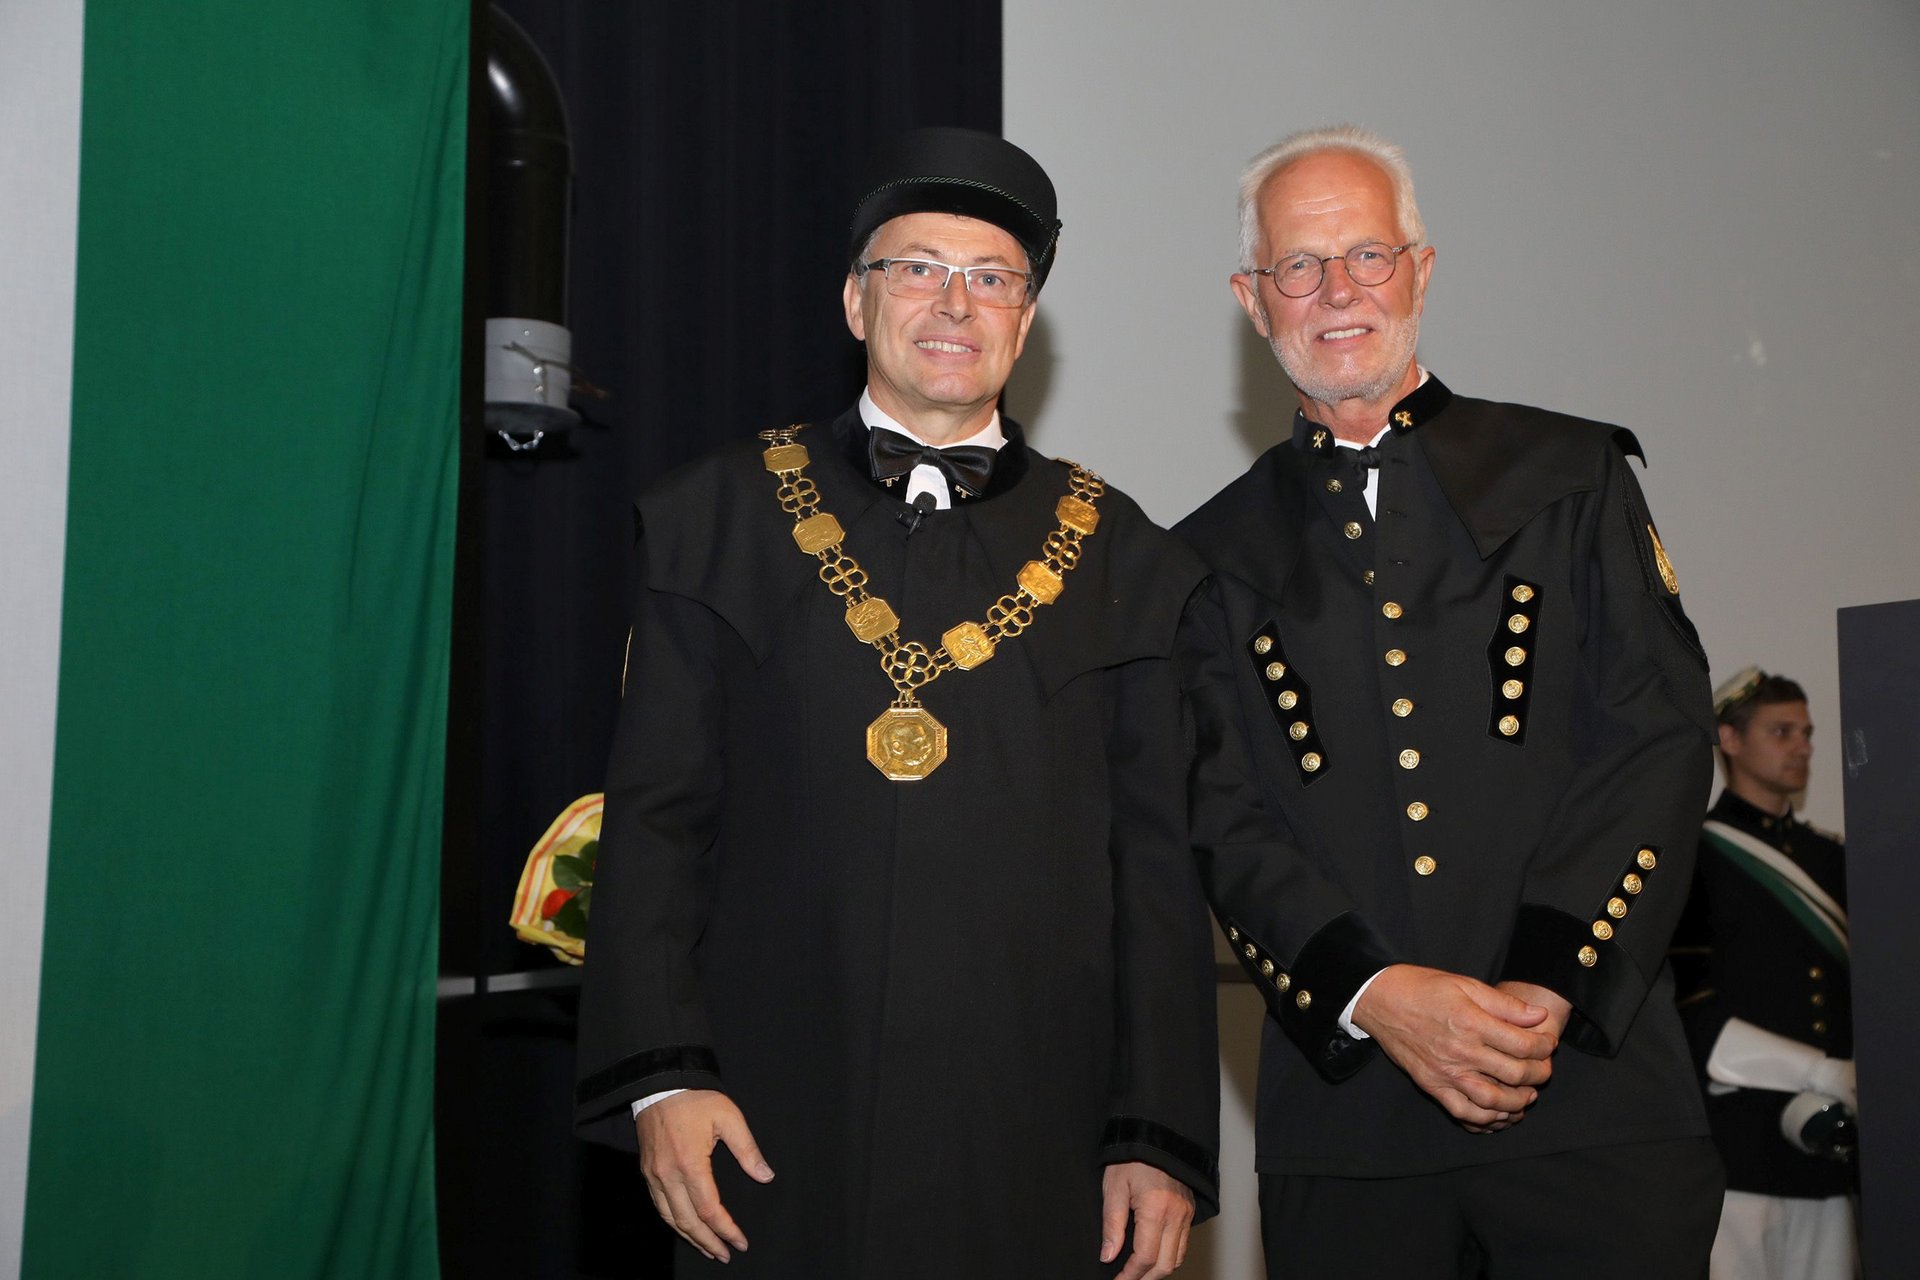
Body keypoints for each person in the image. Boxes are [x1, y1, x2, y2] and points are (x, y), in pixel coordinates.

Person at [574, 126, 1219, 1279]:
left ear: (1027, 319)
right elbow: (656, 821)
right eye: (916, 266)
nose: (952, 303)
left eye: (991, 279)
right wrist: (664, 1074)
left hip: (1032, 1136)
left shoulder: (1133, 561)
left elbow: (1157, 879)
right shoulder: (709, 517)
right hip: (764, 1124)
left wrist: (1156, 1135)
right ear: (854, 301)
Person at [1175, 123, 1724, 1277]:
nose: (1337, 291)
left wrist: (1545, 980)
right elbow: (1222, 819)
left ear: (1423, 269)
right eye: (1298, 266)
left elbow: (1657, 735)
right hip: (1350, 1133)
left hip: (1593, 1105)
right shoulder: (1207, 559)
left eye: (1368, 255)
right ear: (1251, 297)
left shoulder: (1572, 477)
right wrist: (1375, 992)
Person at [1675, 669, 1856, 1278]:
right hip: (1737, 1144)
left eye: (1805, 732)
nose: (1803, 747)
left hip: (1828, 1144)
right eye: (1782, 731)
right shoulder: (1691, 853)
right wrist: (1822, 1071)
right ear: (1729, 739)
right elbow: (1687, 1003)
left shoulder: (1834, 859)